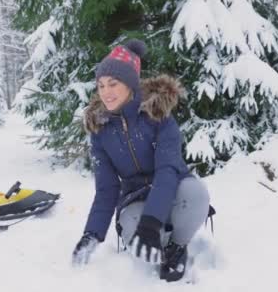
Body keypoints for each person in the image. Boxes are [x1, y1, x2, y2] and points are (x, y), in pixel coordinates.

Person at [71, 39, 211, 282]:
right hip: (134, 197)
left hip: (173, 187)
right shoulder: (100, 130)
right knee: (132, 227)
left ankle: (176, 246)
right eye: (101, 85)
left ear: (130, 85)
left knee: (197, 193)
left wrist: (152, 222)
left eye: (113, 84)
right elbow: (107, 189)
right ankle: (154, 242)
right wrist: (91, 234)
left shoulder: (158, 118)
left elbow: (167, 170)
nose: (105, 92)